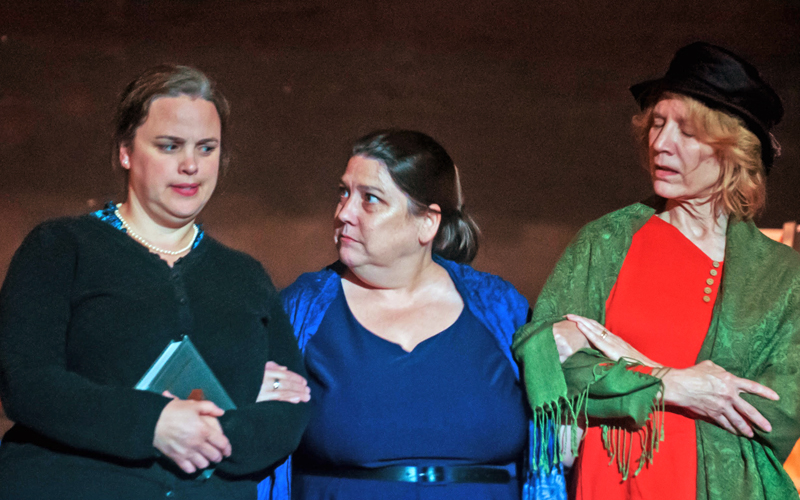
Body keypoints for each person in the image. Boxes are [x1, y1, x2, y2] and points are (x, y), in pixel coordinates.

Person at [0, 64, 310, 499]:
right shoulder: (62, 246)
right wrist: (152, 424)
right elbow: (25, 381)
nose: (190, 165)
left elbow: (289, 412)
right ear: (126, 151)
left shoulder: (245, 275)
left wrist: (209, 432)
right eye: (169, 146)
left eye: (206, 148)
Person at [513, 42, 800, 500]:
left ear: (733, 151)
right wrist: (671, 382)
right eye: (658, 124)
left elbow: (779, 412)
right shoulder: (606, 242)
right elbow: (547, 360)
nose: (660, 143)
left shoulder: (783, 276)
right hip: (613, 483)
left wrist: (623, 362)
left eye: (686, 132)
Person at [258, 129, 564, 500]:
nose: (344, 213)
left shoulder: (498, 308)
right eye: (343, 192)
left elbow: (555, 405)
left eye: (369, 199)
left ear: (427, 223)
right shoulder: (301, 310)